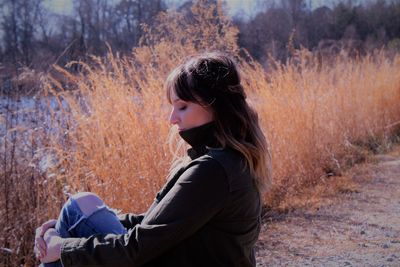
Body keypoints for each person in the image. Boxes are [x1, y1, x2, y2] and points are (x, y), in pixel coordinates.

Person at [34, 51, 272, 267]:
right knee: (81, 206)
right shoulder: (231, 160)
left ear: (216, 106)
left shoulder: (213, 171)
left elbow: (137, 248)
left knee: (71, 224)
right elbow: (157, 225)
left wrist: (62, 248)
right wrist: (76, 226)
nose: (172, 119)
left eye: (182, 107)